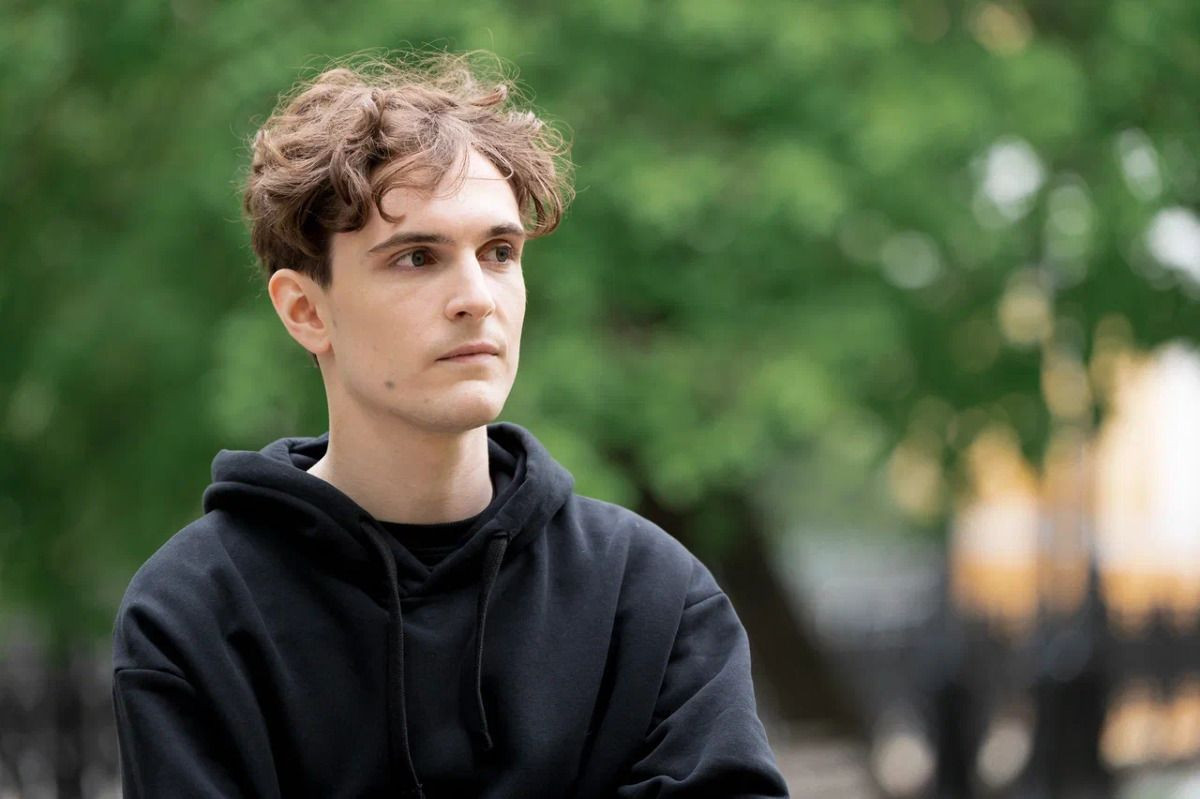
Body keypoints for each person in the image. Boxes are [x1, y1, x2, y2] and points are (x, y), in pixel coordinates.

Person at [110, 51, 789, 798]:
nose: (477, 297)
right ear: (306, 310)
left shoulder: (651, 596)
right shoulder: (197, 612)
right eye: (417, 257)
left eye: (499, 252)